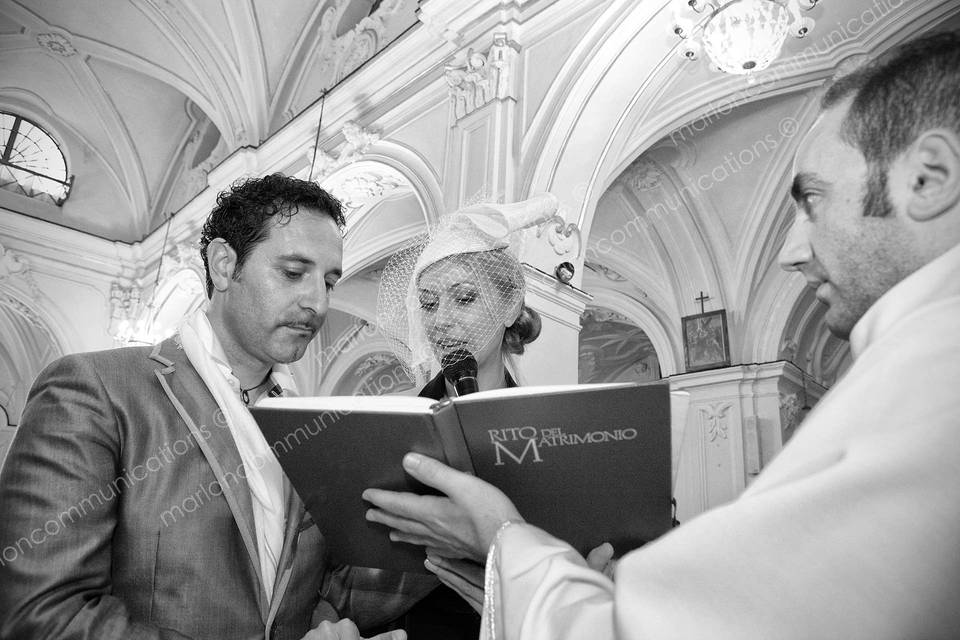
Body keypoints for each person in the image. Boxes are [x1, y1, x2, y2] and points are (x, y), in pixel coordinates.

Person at [362, 30, 960, 639]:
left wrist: (504, 540)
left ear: (929, 180)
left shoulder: (933, 379)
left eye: (812, 199)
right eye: (430, 303)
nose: (790, 250)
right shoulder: (916, 360)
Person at [0, 174, 409, 640]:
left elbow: (322, 593)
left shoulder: (312, 426)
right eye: (294, 273)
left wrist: (456, 533)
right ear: (222, 265)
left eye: (329, 281)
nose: (317, 302)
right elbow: (44, 618)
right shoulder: (96, 391)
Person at [374, 195, 616, 638]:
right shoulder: (391, 427)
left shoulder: (554, 427)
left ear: (509, 308)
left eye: (463, 298)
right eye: (428, 304)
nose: (441, 321)